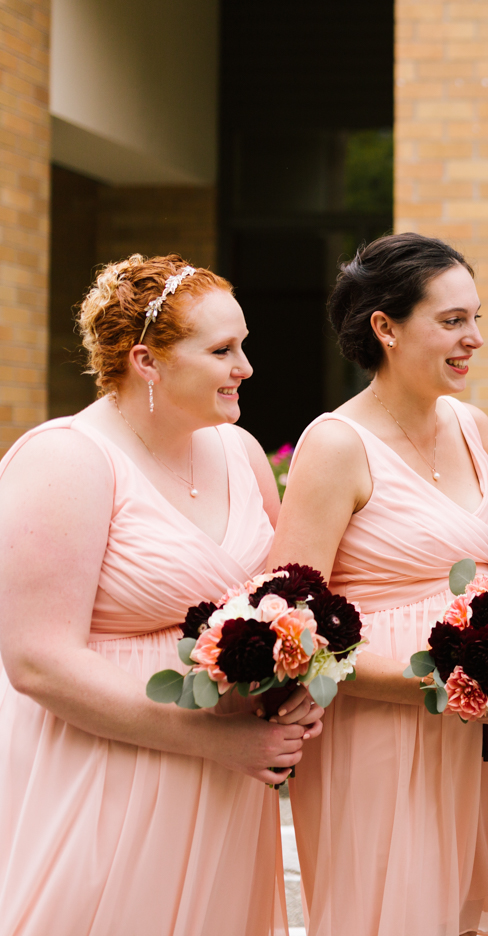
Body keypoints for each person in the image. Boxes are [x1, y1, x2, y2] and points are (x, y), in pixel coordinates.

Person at [0, 254, 320, 934]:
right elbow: (36, 659)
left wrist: (295, 682)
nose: (246, 368)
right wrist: (211, 739)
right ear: (147, 361)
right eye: (222, 350)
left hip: (225, 779)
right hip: (108, 767)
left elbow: (279, 599)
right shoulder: (67, 460)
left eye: (245, 347)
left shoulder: (238, 451)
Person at [268, 233, 488, 936]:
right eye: (453, 321)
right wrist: (438, 685)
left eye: (477, 318)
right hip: (378, 730)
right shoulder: (337, 445)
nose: (476, 339)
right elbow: (292, 627)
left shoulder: (475, 427)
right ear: (386, 328)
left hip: (475, 733)